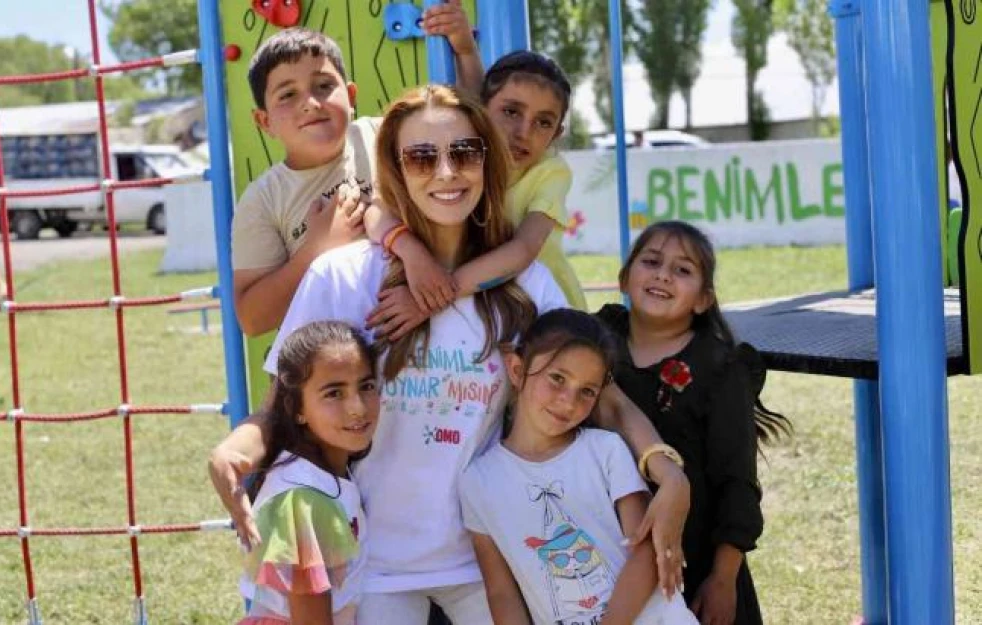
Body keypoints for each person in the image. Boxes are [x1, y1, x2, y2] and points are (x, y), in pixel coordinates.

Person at [211, 85, 689, 625]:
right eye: (422, 156)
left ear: (486, 160)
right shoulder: (342, 277)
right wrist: (234, 450)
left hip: (489, 555)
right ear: (394, 166)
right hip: (370, 558)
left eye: (464, 153)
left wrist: (668, 472)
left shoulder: (525, 284)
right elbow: (281, 409)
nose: (446, 172)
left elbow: (604, 398)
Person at [230, 17, 483, 337]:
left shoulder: (386, 135)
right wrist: (315, 249)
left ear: (350, 96)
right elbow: (252, 319)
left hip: (435, 333)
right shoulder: (262, 200)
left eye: (324, 86)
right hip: (341, 362)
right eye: (287, 95)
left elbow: (468, 124)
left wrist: (465, 51)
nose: (310, 103)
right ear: (264, 121)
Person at [594, 221, 792, 625]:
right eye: (651, 261)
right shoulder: (595, 341)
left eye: (682, 269)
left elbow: (736, 482)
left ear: (703, 300)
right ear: (623, 277)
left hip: (695, 560)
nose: (663, 274)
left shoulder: (720, 369)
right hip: (608, 551)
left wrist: (723, 578)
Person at [459, 308, 697, 625]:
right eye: (557, 379)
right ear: (517, 370)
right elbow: (502, 592)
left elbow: (644, 552)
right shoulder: (478, 482)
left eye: (587, 391)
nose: (568, 402)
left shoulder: (605, 450)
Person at [365, 51, 587, 345]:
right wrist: (413, 254)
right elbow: (376, 208)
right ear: (481, 111)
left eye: (543, 122)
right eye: (511, 112)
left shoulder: (550, 172)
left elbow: (522, 250)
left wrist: (433, 295)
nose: (523, 132)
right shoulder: (465, 160)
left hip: (543, 310)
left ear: (557, 133)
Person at [239, 320, 380, 625]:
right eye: (334, 393)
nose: (357, 407)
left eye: (366, 386)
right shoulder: (302, 499)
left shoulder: (327, 477)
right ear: (297, 408)